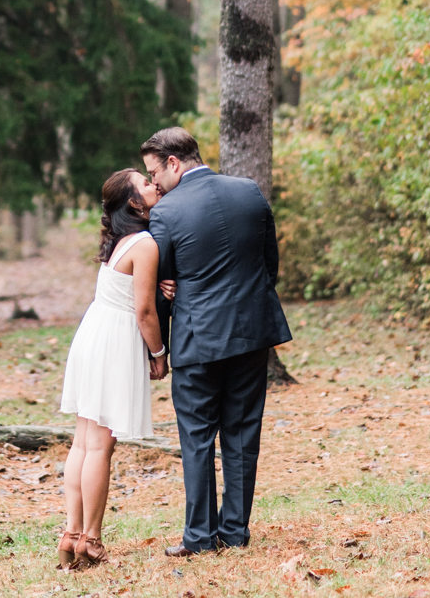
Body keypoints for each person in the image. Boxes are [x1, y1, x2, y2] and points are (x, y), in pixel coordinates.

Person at [142, 126, 291, 557]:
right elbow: (269, 265)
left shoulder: (167, 213)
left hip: (197, 339)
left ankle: (201, 538)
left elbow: (159, 285)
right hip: (251, 331)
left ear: (174, 162)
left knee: (198, 437)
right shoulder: (249, 191)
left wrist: (162, 341)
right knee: (243, 432)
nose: (153, 183)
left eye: (155, 173)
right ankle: (236, 532)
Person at [58, 168, 174, 571]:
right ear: (133, 202)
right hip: (113, 343)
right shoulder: (144, 244)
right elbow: (142, 311)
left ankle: (71, 533)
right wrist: (159, 353)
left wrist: (161, 285)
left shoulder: (121, 242)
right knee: (101, 446)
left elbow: (134, 291)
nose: (152, 184)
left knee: (84, 442)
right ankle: (91, 539)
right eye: (144, 182)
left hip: (93, 335)